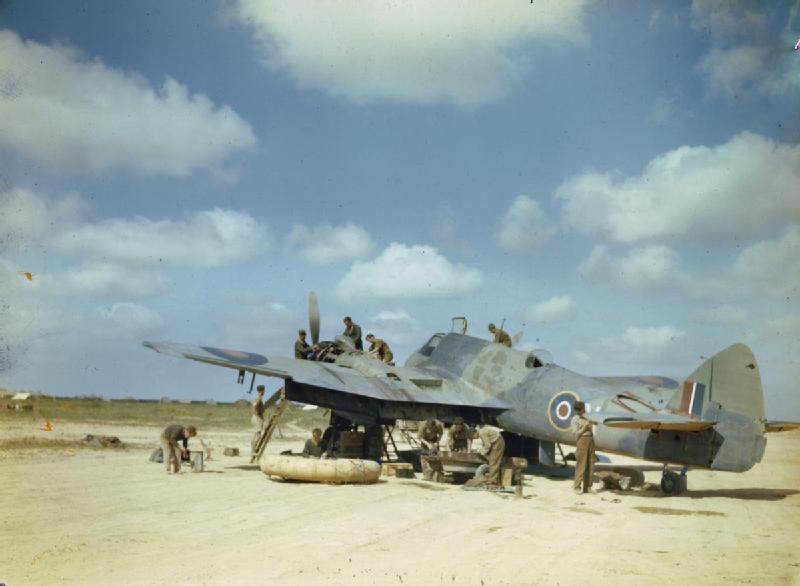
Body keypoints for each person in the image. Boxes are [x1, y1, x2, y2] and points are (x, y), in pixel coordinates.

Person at [571, 400, 595, 494]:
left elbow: (595, 424)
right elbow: (576, 433)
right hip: (582, 440)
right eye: (578, 410)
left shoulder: (588, 416)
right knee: (581, 464)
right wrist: (584, 427)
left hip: (590, 439)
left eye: (580, 410)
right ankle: (577, 487)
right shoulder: (575, 419)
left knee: (591, 464)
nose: (579, 412)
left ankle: (588, 487)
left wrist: (592, 421)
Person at [250, 385, 266, 462]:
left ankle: (254, 451)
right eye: (264, 391)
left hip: (257, 417)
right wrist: (256, 412)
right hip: (257, 417)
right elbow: (254, 405)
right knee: (257, 435)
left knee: (258, 435)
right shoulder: (258, 397)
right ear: (262, 391)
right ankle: (253, 452)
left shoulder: (258, 397)